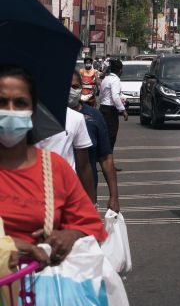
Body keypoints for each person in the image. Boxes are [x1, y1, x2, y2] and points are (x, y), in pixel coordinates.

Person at [0, 64, 107, 264]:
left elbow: (92, 226)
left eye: (20, 103)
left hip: (40, 287)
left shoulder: (54, 167)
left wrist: (70, 235)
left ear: (33, 112)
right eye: (2, 102)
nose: (11, 111)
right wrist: (7, 245)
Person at [69, 71, 120, 212]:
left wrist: (114, 197)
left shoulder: (93, 116)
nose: (71, 91)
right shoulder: (50, 118)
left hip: (86, 195)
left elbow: (106, 158)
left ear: (81, 88)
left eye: (75, 87)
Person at [36, 105, 96, 204]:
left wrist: (92, 203)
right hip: (33, 191)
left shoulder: (75, 118)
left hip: (66, 193)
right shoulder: (24, 118)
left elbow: (84, 166)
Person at [99, 58, 128, 151]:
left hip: (103, 108)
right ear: (120, 70)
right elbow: (115, 96)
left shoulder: (106, 79)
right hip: (110, 111)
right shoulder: (115, 80)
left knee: (105, 136)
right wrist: (123, 110)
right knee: (111, 137)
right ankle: (108, 161)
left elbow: (101, 95)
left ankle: (107, 160)